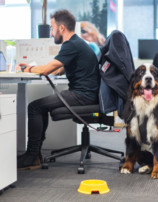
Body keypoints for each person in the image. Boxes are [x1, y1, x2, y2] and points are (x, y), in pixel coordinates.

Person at [17, 9, 100, 170]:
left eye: (52, 28)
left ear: (62, 28)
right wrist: (44, 69)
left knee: (34, 107)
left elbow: (47, 69)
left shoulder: (71, 45)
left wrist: (28, 69)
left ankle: (32, 156)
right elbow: (58, 69)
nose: (51, 32)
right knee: (39, 107)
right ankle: (34, 155)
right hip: (86, 94)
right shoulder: (76, 43)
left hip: (82, 95)